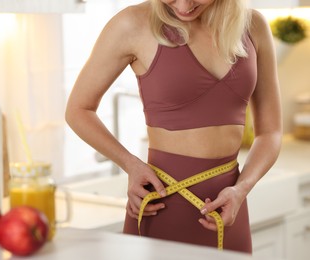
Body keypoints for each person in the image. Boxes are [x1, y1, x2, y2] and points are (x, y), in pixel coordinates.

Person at [65, 0, 282, 254]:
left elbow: (271, 132)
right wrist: (130, 164)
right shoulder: (132, 24)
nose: (183, 5)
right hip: (162, 203)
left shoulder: (253, 26)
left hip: (229, 209)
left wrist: (241, 189)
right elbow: (78, 110)